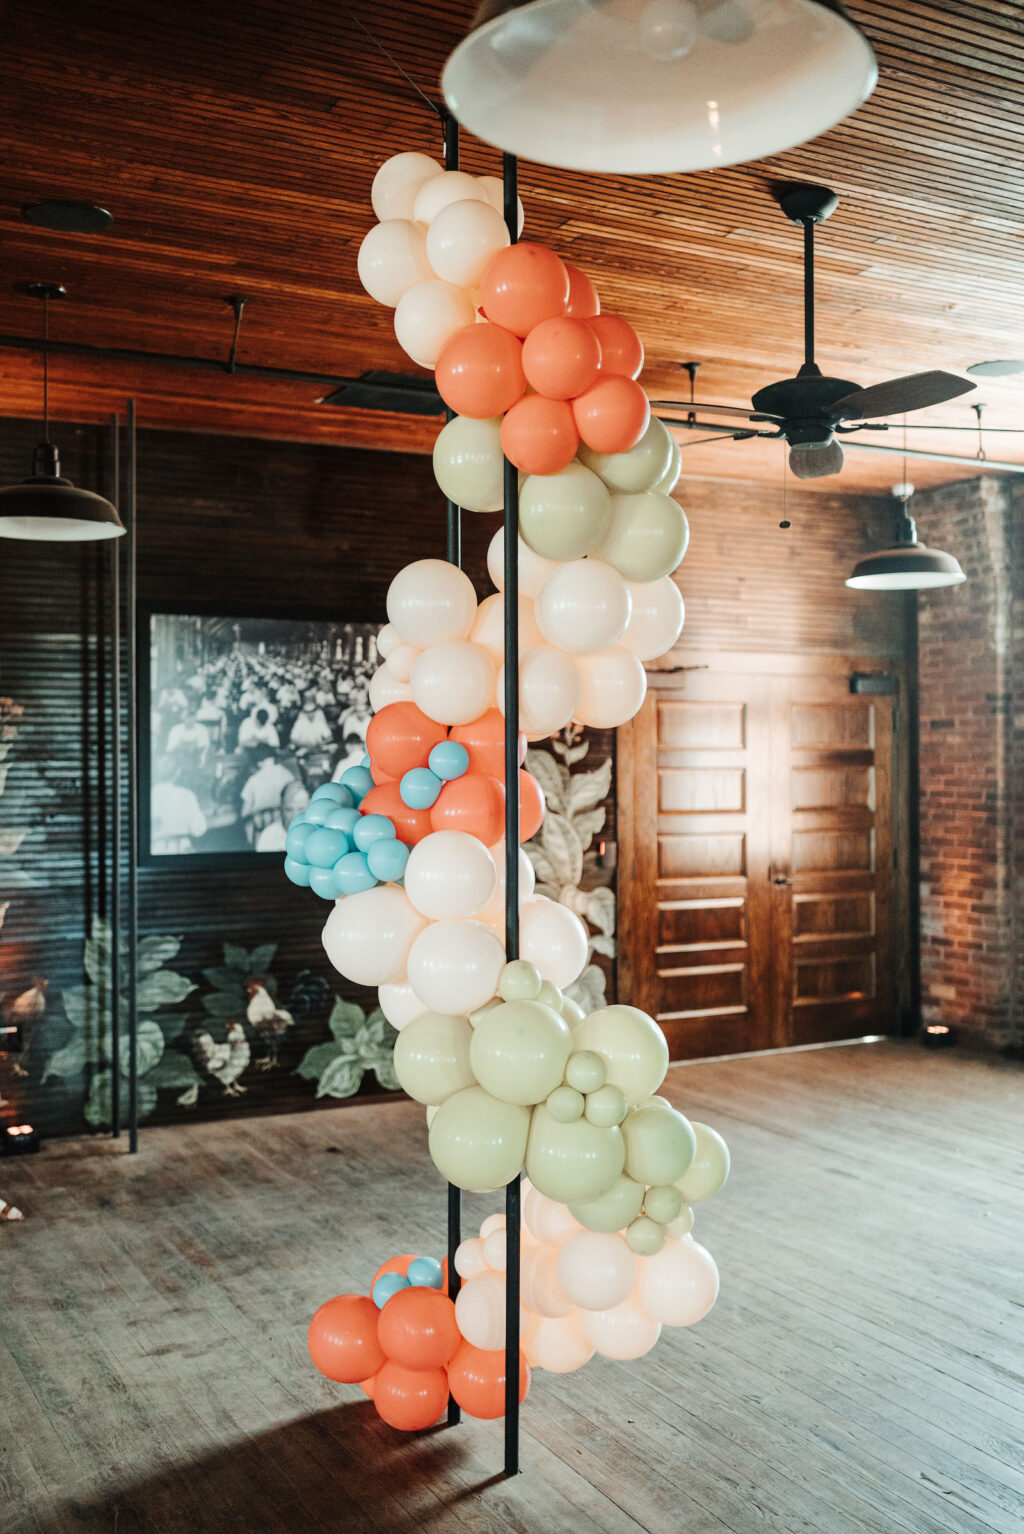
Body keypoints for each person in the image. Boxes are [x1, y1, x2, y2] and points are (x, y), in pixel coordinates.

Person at [151, 756, 208, 855]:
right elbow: (199, 830)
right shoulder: (186, 795)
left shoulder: (148, 794)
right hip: (181, 851)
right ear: (178, 772)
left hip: (155, 852)